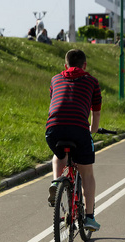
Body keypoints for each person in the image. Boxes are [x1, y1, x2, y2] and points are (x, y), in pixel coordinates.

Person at [45, 49, 102, 231]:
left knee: (58, 153)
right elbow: (96, 112)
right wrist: (91, 131)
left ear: (65, 65)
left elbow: (54, 103)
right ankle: (90, 217)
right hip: (78, 128)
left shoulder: (55, 79)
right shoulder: (92, 82)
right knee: (87, 173)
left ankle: (56, 182)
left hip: (53, 128)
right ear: (84, 65)